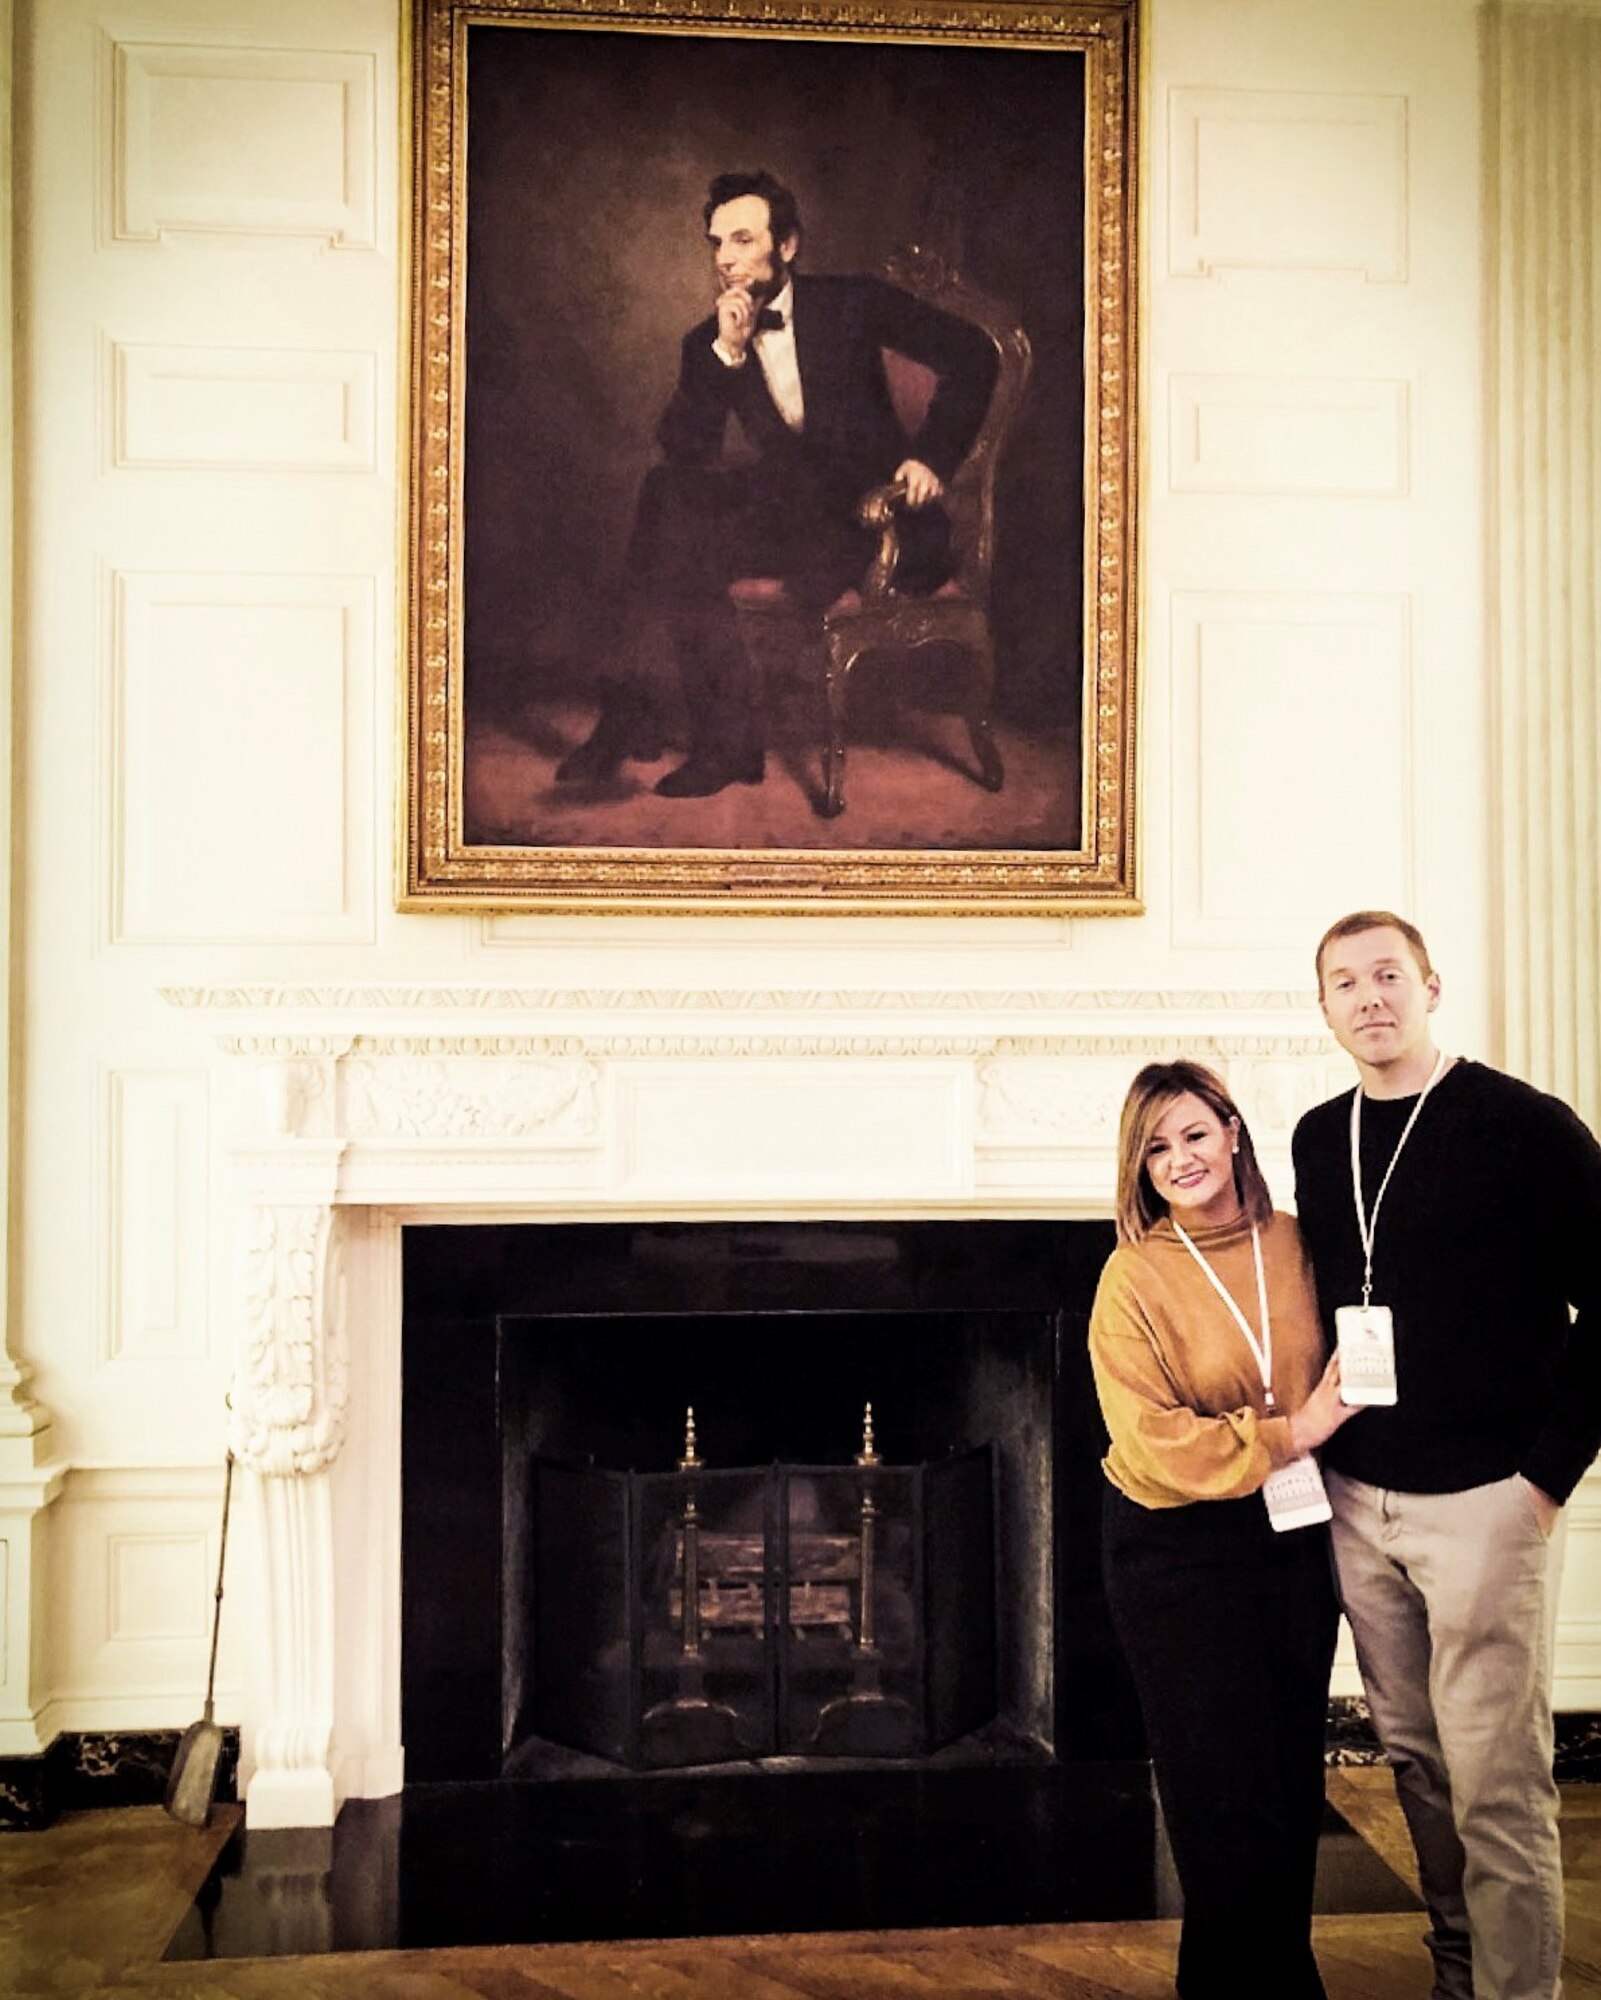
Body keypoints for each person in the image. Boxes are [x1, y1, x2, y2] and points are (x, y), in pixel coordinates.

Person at [1292, 909, 1601, 2000]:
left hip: (1485, 1501)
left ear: (1430, 984)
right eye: (1343, 981)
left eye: (1387, 973)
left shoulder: (1522, 1124)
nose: (1367, 995)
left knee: (1496, 1783)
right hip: (1358, 1500)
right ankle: (1454, 1974)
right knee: (1417, 1767)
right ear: (1321, 1006)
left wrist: (1541, 1484)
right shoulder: (1313, 1137)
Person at [556, 169, 1000, 798]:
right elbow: (687, 451)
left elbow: (975, 354)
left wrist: (931, 458)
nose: (726, 260)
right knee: (666, 497)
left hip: (877, 518)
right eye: (716, 244)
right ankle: (693, 727)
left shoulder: (854, 303)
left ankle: (668, 721)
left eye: (742, 240)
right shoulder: (710, 339)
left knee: (681, 541)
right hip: (796, 514)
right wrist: (728, 354)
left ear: (786, 246)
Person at [1090, 1059, 1356, 1999]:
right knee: (1219, 1796)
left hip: (1288, 1539)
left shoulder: (1297, 1243)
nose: (1179, 1158)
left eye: (1194, 1133)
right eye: (1155, 1148)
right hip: (1174, 1549)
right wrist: (1292, 1432)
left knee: (1287, 1786)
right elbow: (1152, 1442)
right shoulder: (1131, 1275)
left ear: (1234, 1130)